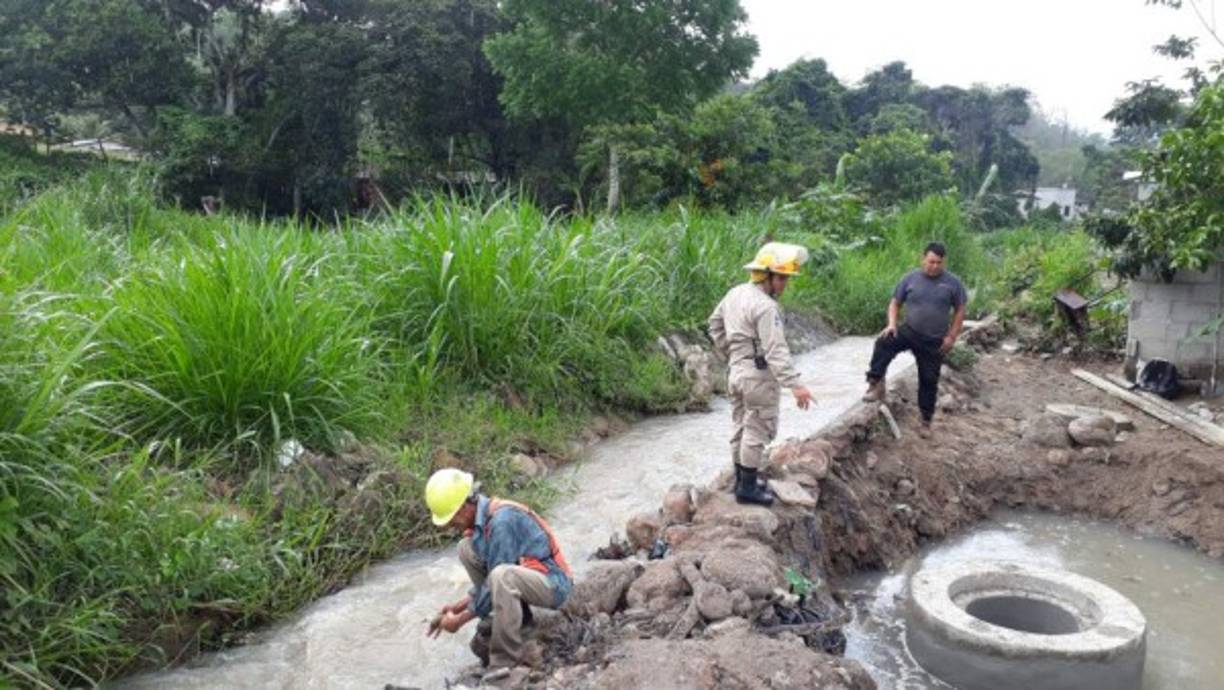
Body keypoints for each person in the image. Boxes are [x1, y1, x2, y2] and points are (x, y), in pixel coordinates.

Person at [424, 469, 572, 679]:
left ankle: (504, 662)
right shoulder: (483, 522)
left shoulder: (502, 522)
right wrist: (459, 606)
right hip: (527, 578)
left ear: (464, 507)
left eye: (451, 518)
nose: (450, 525)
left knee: (502, 575)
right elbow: (490, 580)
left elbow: (497, 577)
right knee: (465, 548)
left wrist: (459, 621)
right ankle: (514, 620)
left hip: (554, 584)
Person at [708, 242, 815, 506]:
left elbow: (714, 324)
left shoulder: (735, 293)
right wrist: (796, 385)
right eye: (781, 278)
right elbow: (776, 350)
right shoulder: (767, 308)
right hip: (758, 375)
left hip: (736, 371)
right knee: (758, 428)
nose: (784, 284)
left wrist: (731, 352)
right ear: (766, 276)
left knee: (741, 424)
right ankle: (747, 488)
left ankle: (742, 478)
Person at [862, 242, 967, 438]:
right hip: (910, 331)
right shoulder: (910, 278)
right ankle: (875, 384)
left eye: (938, 263)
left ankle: (926, 421)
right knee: (884, 342)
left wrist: (952, 336)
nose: (934, 266)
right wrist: (892, 324)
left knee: (929, 380)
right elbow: (895, 303)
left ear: (944, 262)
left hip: (934, 340)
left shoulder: (953, 283)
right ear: (923, 259)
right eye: (930, 261)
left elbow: (960, 310)